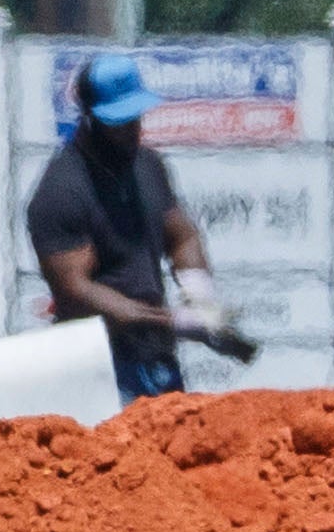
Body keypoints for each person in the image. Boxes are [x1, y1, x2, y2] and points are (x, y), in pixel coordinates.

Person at [24, 55, 227, 404]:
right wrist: (175, 323)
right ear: (89, 119)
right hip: (98, 368)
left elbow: (181, 235)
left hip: (157, 361)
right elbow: (76, 292)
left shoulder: (148, 167)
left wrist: (199, 294)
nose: (131, 129)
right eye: (118, 122)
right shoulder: (61, 190)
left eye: (135, 117)